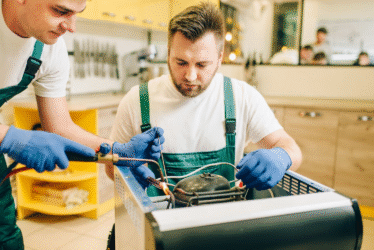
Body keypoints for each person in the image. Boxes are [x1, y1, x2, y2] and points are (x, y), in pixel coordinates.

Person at [107, 2, 302, 248]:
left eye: (201, 65)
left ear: (219, 58)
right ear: (168, 52)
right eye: (181, 62)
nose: (190, 76)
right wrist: (129, 169)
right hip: (159, 234)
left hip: (222, 232)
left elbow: (291, 148)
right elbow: (111, 169)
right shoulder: (137, 100)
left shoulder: (241, 96)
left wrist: (280, 156)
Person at [0, 0, 163, 249]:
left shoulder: (49, 50)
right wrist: (11, 139)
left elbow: (60, 127)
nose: (71, 27)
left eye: (77, 14)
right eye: (61, 11)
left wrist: (118, 150)